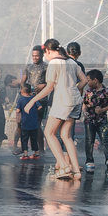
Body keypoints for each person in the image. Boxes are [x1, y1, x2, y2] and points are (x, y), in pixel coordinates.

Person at [25, 39, 86, 179]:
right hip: (75, 100)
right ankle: (76, 171)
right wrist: (74, 90)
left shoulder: (54, 63)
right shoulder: (72, 62)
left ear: (47, 51)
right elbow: (84, 81)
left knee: (49, 132)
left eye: (44, 53)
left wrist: (32, 101)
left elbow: (49, 87)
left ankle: (64, 167)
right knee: (66, 135)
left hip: (63, 101)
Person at [82, 70, 108, 172]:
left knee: (104, 139)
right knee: (89, 140)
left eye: (88, 80)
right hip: (89, 120)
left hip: (102, 120)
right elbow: (84, 103)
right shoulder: (88, 92)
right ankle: (89, 160)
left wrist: (102, 110)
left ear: (95, 80)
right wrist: (84, 111)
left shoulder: (107, 91)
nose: (87, 82)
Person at [14, 81, 41, 159]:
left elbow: (18, 110)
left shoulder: (20, 100)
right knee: (34, 139)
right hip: (34, 123)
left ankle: (25, 154)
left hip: (25, 123)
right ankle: (36, 153)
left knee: (24, 139)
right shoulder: (34, 99)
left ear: (22, 91)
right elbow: (40, 107)